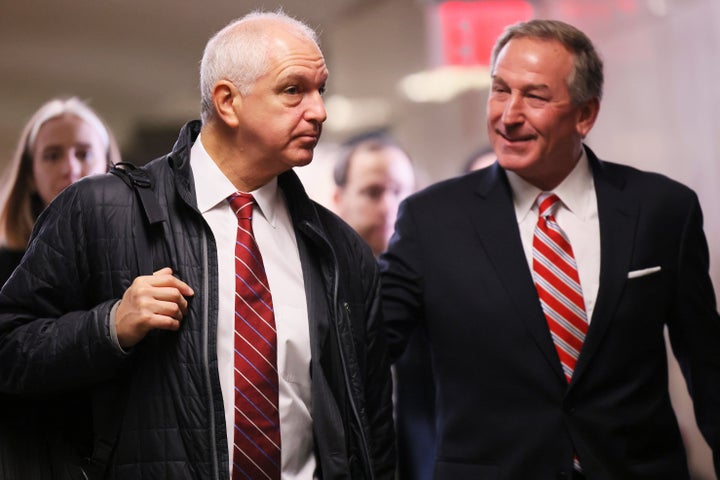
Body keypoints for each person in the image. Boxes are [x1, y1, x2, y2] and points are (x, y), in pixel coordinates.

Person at [0, 10, 395, 480]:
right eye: (293, 90)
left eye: (319, 90)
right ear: (227, 102)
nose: (319, 110)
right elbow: (9, 351)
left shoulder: (340, 250)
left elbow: (372, 432)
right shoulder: (98, 212)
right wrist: (109, 327)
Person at [380, 18, 720, 479]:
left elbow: (707, 364)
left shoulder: (663, 210)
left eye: (535, 96)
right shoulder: (430, 220)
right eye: (500, 90)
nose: (508, 115)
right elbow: (368, 348)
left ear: (585, 115)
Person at [331, 132, 433, 480]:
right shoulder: (321, 284)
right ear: (339, 199)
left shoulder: (437, 283)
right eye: (373, 192)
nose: (389, 206)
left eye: (399, 191)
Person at [0, 96, 119, 286]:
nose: (70, 169)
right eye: (53, 156)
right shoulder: (5, 269)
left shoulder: (142, 252)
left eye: (84, 154)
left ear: (109, 168)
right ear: (30, 175)